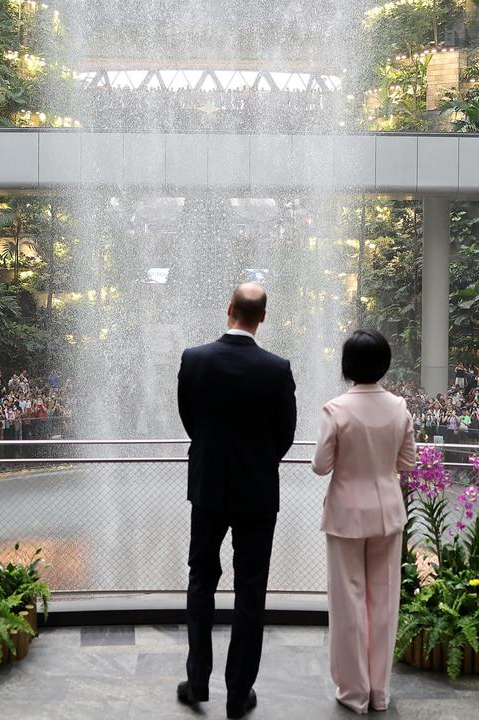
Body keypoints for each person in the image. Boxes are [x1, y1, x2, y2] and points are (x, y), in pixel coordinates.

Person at [176, 283, 297, 720]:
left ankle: (198, 682)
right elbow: (284, 434)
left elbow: (191, 420)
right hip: (258, 493)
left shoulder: (194, 360)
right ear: (262, 317)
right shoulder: (277, 369)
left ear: (228, 309)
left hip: (208, 488)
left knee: (201, 580)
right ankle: (238, 692)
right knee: (250, 591)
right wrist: (258, 462)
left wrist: (215, 454)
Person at [311, 330, 416, 714]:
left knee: (348, 602)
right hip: (387, 513)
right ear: (384, 364)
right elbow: (407, 462)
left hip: (345, 516)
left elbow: (321, 466)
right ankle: (379, 692)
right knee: (385, 602)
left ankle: (353, 692)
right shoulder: (399, 407)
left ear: (347, 366)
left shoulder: (335, 410)